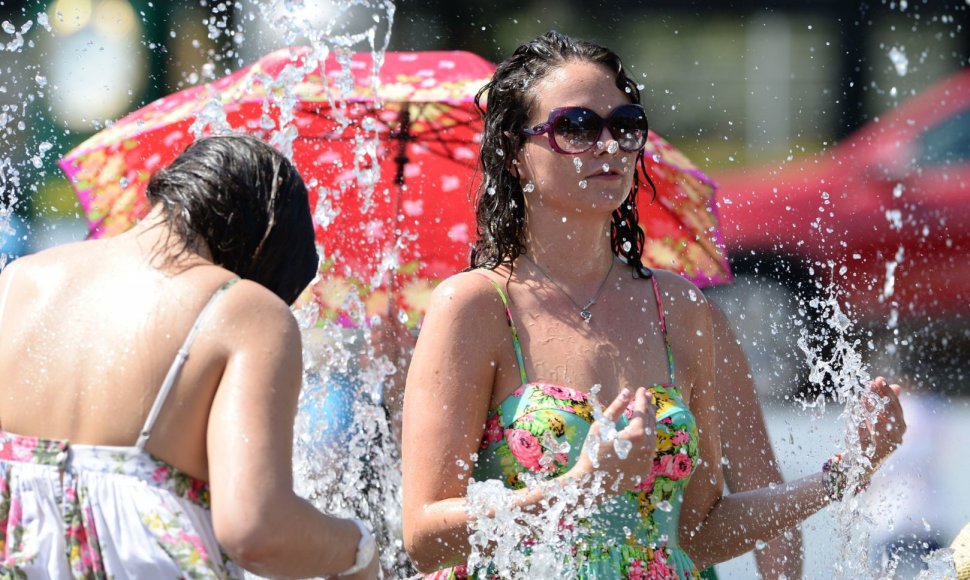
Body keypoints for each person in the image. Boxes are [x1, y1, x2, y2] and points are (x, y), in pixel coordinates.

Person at [400, 31, 905, 578]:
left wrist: (843, 474)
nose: (609, 145)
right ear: (513, 154)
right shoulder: (474, 306)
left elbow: (700, 530)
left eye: (625, 125)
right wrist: (577, 488)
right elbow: (424, 536)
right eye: (575, 127)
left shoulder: (679, 306)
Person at [0, 135, 378, 579]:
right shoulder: (245, 309)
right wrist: (357, 548)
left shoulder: (19, 282)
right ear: (259, 256)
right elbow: (257, 531)